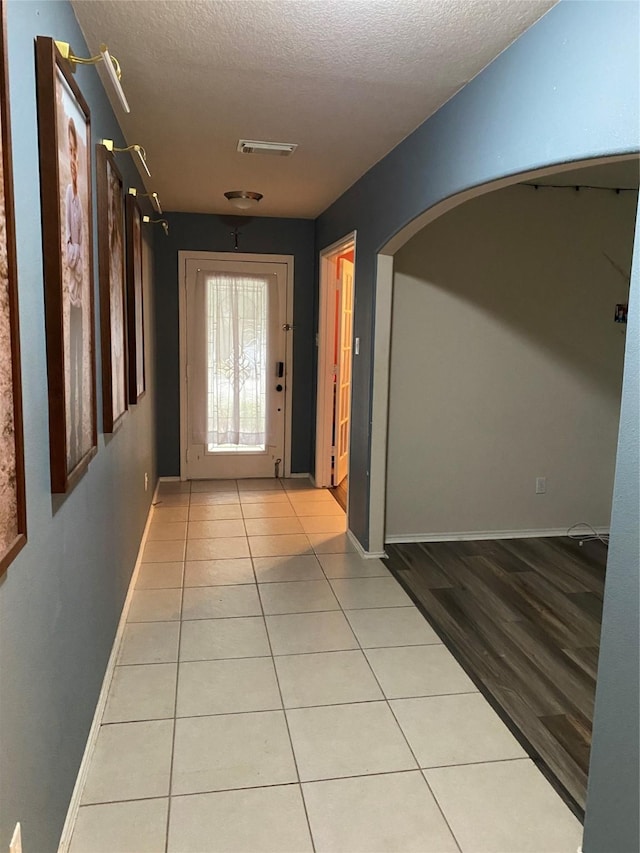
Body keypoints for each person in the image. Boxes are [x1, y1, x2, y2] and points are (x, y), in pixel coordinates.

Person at [65, 116, 83, 468]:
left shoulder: (80, 195)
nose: (72, 156)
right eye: (67, 149)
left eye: (74, 149)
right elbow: (68, 247)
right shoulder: (68, 194)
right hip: (71, 293)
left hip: (80, 296)